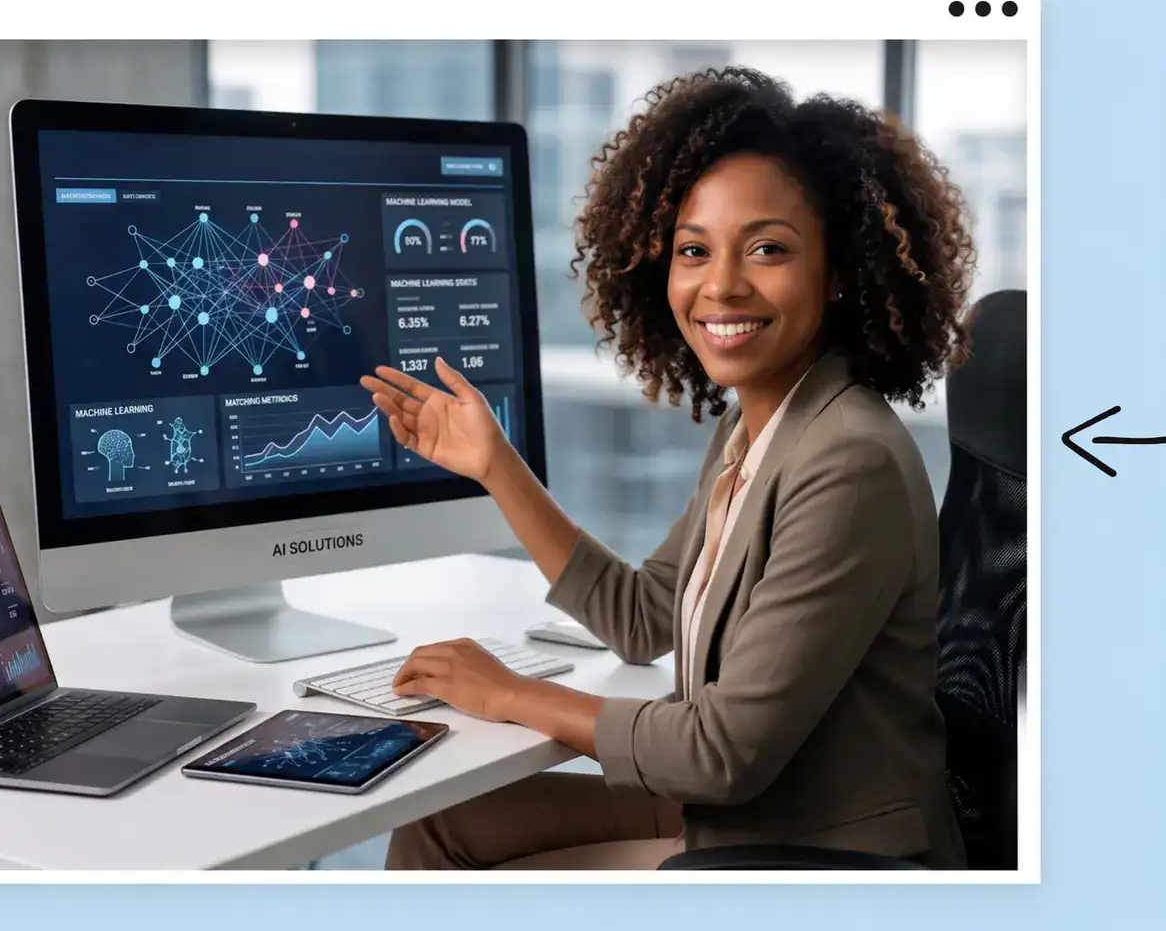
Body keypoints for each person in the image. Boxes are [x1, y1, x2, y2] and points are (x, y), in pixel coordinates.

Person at [362, 66, 973, 870]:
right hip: (750, 816)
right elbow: (645, 615)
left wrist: (511, 695)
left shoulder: (846, 461)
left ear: (838, 275)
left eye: (767, 249)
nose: (720, 284)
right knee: (443, 828)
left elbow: (719, 753)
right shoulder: (755, 428)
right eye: (694, 250)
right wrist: (495, 465)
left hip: (815, 854)